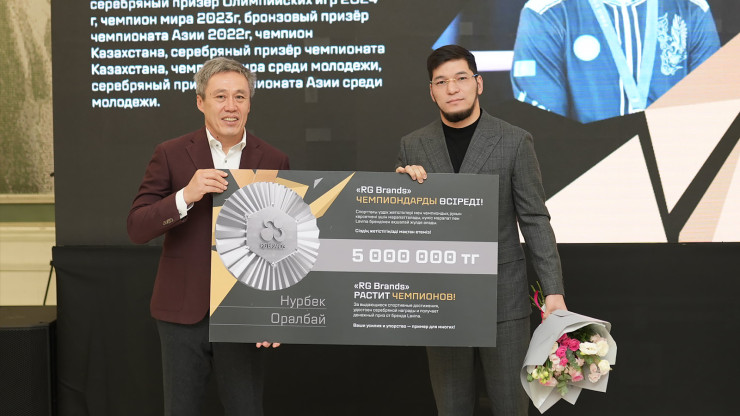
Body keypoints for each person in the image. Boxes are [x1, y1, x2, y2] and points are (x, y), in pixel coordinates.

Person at [395, 45, 566, 415]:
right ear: (431, 91)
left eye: (461, 78)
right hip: (440, 300)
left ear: (479, 83)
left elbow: (535, 220)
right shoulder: (413, 145)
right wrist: (400, 193)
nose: (452, 88)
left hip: (503, 300)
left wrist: (553, 292)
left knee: (511, 405)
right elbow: (403, 230)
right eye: (441, 82)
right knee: (451, 407)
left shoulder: (514, 140)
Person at [127, 57, 289, 416]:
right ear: (200, 102)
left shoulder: (274, 159)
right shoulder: (170, 153)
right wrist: (186, 195)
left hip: (245, 313)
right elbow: (137, 227)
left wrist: (274, 312)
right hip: (182, 312)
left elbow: (285, 245)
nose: (231, 106)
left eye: (240, 97)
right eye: (220, 96)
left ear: (249, 103)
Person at [511, 0, 720, 123]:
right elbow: (545, 129)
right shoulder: (547, 11)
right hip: (585, 172)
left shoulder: (691, 7)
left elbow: (710, 114)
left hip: (674, 171)